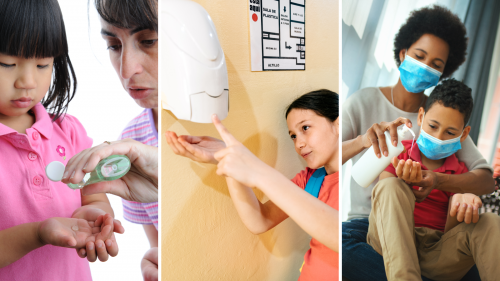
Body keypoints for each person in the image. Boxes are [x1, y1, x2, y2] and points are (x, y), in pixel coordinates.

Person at [341, 6, 494, 281]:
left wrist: (437, 180)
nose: (425, 66)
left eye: (436, 64)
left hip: (435, 241)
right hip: (367, 226)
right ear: (403, 53)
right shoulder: (363, 102)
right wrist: (363, 140)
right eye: (419, 56)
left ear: (443, 72)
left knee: (484, 239)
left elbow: (484, 181)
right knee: (345, 249)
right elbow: (327, 158)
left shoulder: (444, 119)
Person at [0, 1, 124, 280]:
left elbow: (91, 192)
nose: (27, 81)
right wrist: (37, 233)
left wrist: (98, 213)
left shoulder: (69, 132)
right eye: (7, 63)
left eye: (43, 63)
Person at [166, 90, 339, 281]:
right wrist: (228, 158)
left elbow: (340, 237)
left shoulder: (355, 180)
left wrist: (257, 170)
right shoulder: (310, 179)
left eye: (305, 128)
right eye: (293, 136)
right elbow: (260, 220)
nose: (298, 143)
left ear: (338, 124)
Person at [63, 0, 159, 280]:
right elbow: (159, 248)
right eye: (114, 46)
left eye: (149, 40)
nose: (127, 70)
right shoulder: (130, 142)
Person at [368, 79, 500, 280]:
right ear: (421, 116)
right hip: (392, 240)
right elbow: (382, 200)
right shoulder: (399, 152)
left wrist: (460, 205)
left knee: (490, 221)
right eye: (433, 126)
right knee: (391, 185)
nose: (439, 137)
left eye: (450, 133)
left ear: (464, 134)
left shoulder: (462, 175)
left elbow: (452, 235)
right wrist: (403, 181)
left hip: (436, 253)